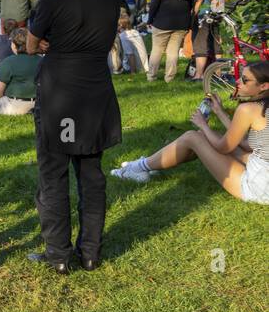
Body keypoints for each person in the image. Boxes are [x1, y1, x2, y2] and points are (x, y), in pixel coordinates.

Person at [25, 0, 123, 274]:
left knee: (53, 174)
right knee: (91, 173)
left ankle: (59, 255)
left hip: (60, 93)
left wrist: (45, 42)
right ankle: (91, 251)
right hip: (95, 88)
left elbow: (33, 43)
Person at [112, 61, 269, 205]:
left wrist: (203, 125)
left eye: (245, 80)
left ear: (264, 86)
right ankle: (149, 164)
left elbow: (223, 148)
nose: (237, 82)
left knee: (193, 137)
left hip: (259, 187)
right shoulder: (261, 108)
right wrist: (220, 113)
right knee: (203, 137)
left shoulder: (248, 109)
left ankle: (138, 168)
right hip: (263, 169)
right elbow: (245, 143)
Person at [146, 0, 195, 83]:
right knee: (173, 52)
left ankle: (151, 76)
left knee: (157, 50)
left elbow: (154, 5)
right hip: (181, 24)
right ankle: (169, 78)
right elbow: (190, 6)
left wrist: (150, 19)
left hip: (162, 23)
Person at [0, 25, 40, 115]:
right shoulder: (41, 60)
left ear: (14, 45)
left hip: (14, 107)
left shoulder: (9, 61)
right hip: (40, 104)